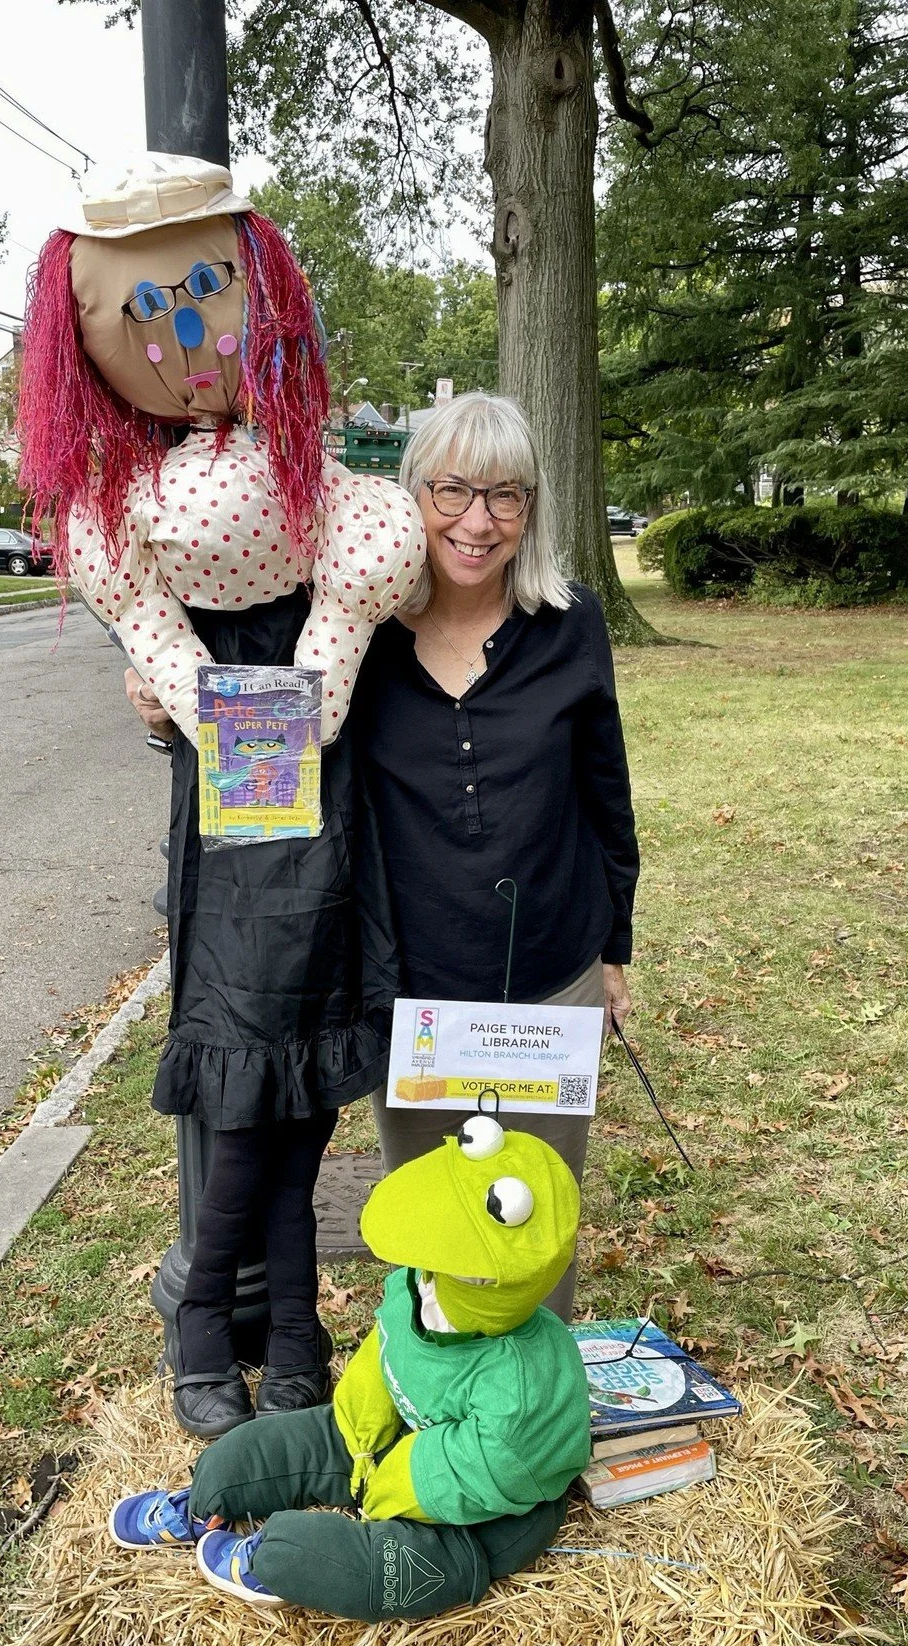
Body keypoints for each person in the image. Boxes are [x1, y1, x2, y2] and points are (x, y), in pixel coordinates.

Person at [22, 153, 420, 1442]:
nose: (181, 330)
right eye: (145, 308)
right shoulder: (122, 505)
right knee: (243, 1079)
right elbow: (143, 619)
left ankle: (295, 1327)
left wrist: (305, 692)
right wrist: (187, 696)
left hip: (326, 789)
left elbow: (366, 583)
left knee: (306, 1087)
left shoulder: (316, 482)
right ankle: (205, 1325)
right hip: (237, 799)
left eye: (205, 293)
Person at [352, 391, 640, 1320]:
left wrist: (615, 949)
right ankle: (440, 1397)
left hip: (550, 982)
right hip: (415, 995)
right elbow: (267, 735)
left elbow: (606, 793)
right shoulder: (355, 632)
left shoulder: (570, 623)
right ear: (412, 494)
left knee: (536, 1217)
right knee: (438, 1217)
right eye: (453, 490)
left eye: (505, 496)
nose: (477, 521)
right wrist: (168, 719)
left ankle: (530, 1419)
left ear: (531, 509)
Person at [108, 1114, 591, 1620]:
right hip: (394, 1434)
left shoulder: (522, 1385)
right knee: (242, 1456)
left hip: (479, 1519)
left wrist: (375, 1487)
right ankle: (206, 1499)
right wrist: (358, 1442)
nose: (424, 1278)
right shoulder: (415, 1285)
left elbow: (461, 1473)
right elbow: (383, 1358)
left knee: (368, 1566)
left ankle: (271, 1561)